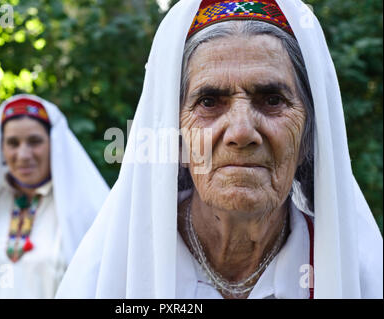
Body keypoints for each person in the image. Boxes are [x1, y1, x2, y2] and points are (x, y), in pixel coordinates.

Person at [55, 0, 383, 298]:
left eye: (272, 100)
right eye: (209, 102)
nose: (241, 132)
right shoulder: (108, 276)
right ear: (175, 135)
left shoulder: (358, 276)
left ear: (310, 134)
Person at [0, 94, 109, 298]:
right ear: (1, 148)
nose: (24, 155)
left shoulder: (85, 209)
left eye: (34, 141)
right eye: (13, 143)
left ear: (54, 144)